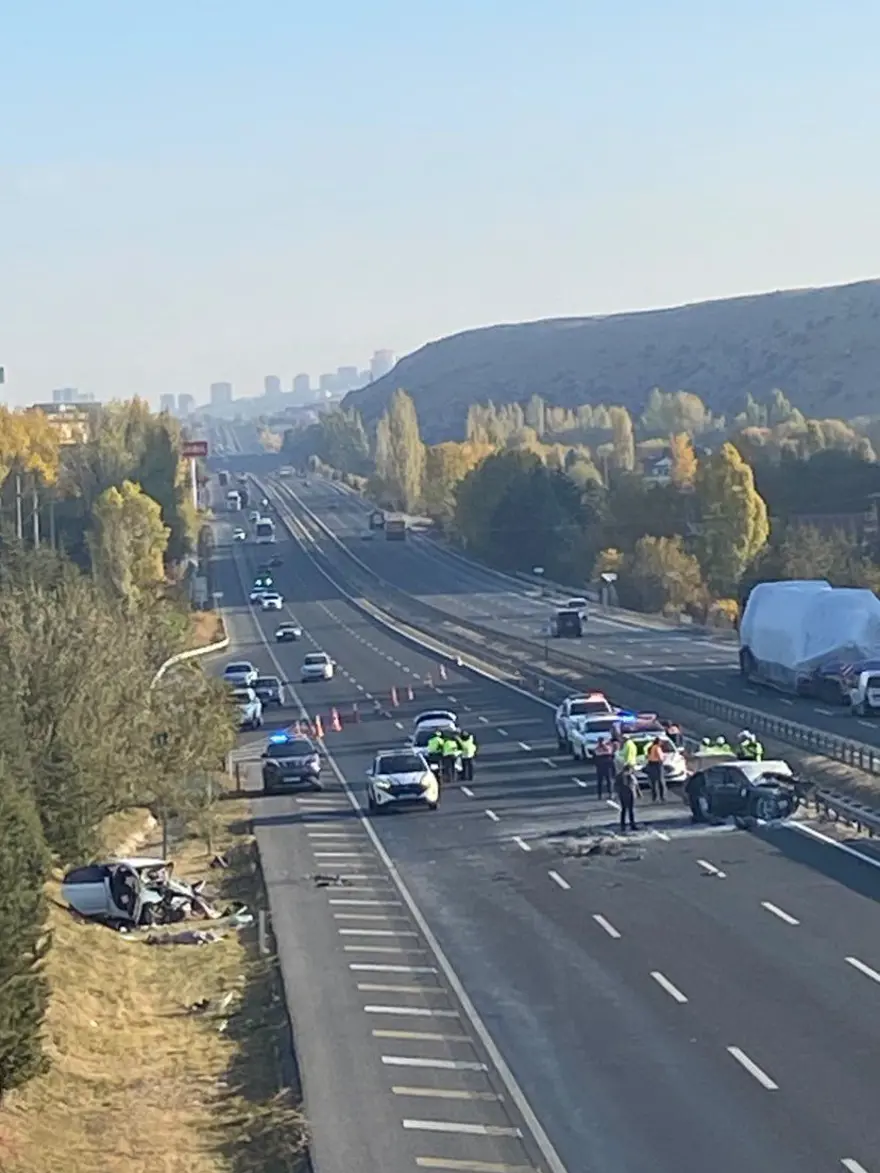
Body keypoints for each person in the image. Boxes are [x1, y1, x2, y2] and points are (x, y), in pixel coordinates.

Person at [615, 767, 637, 832]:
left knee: (631, 810)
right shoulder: (619, 776)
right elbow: (616, 785)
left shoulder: (631, 776)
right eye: (629, 771)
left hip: (631, 794)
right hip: (623, 794)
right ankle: (623, 825)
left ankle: (632, 825)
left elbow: (635, 785)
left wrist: (638, 793)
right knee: (624, 810)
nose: (630, 772)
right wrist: (618, 793)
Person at [646, 737, 666, 802]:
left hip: (651, 764)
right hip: (657, 765)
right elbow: (660, 757)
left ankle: (654, 797)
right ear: (658, 742)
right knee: (661, 781)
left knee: (653, 782)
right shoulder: (657, 747)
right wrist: (663, 758)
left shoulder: (650, 747)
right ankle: (662, 796)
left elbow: (647, 756)